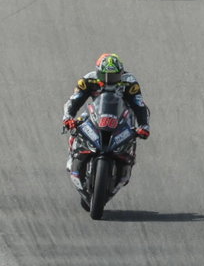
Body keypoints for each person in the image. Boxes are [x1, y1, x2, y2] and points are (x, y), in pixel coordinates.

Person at [60, 53, 150, 199]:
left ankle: (128, 158)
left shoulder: (129, 82)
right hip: (96, 112)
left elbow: (139, 105)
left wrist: (144, 126)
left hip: (121, 115)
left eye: (113, 76)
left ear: (121, 73)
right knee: (78, 123)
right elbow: (74, 101)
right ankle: (74, 153)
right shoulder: (88, 80)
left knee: (133, 130)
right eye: (105, 75)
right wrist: (68, 118)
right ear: (98, 72)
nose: (109, 80)